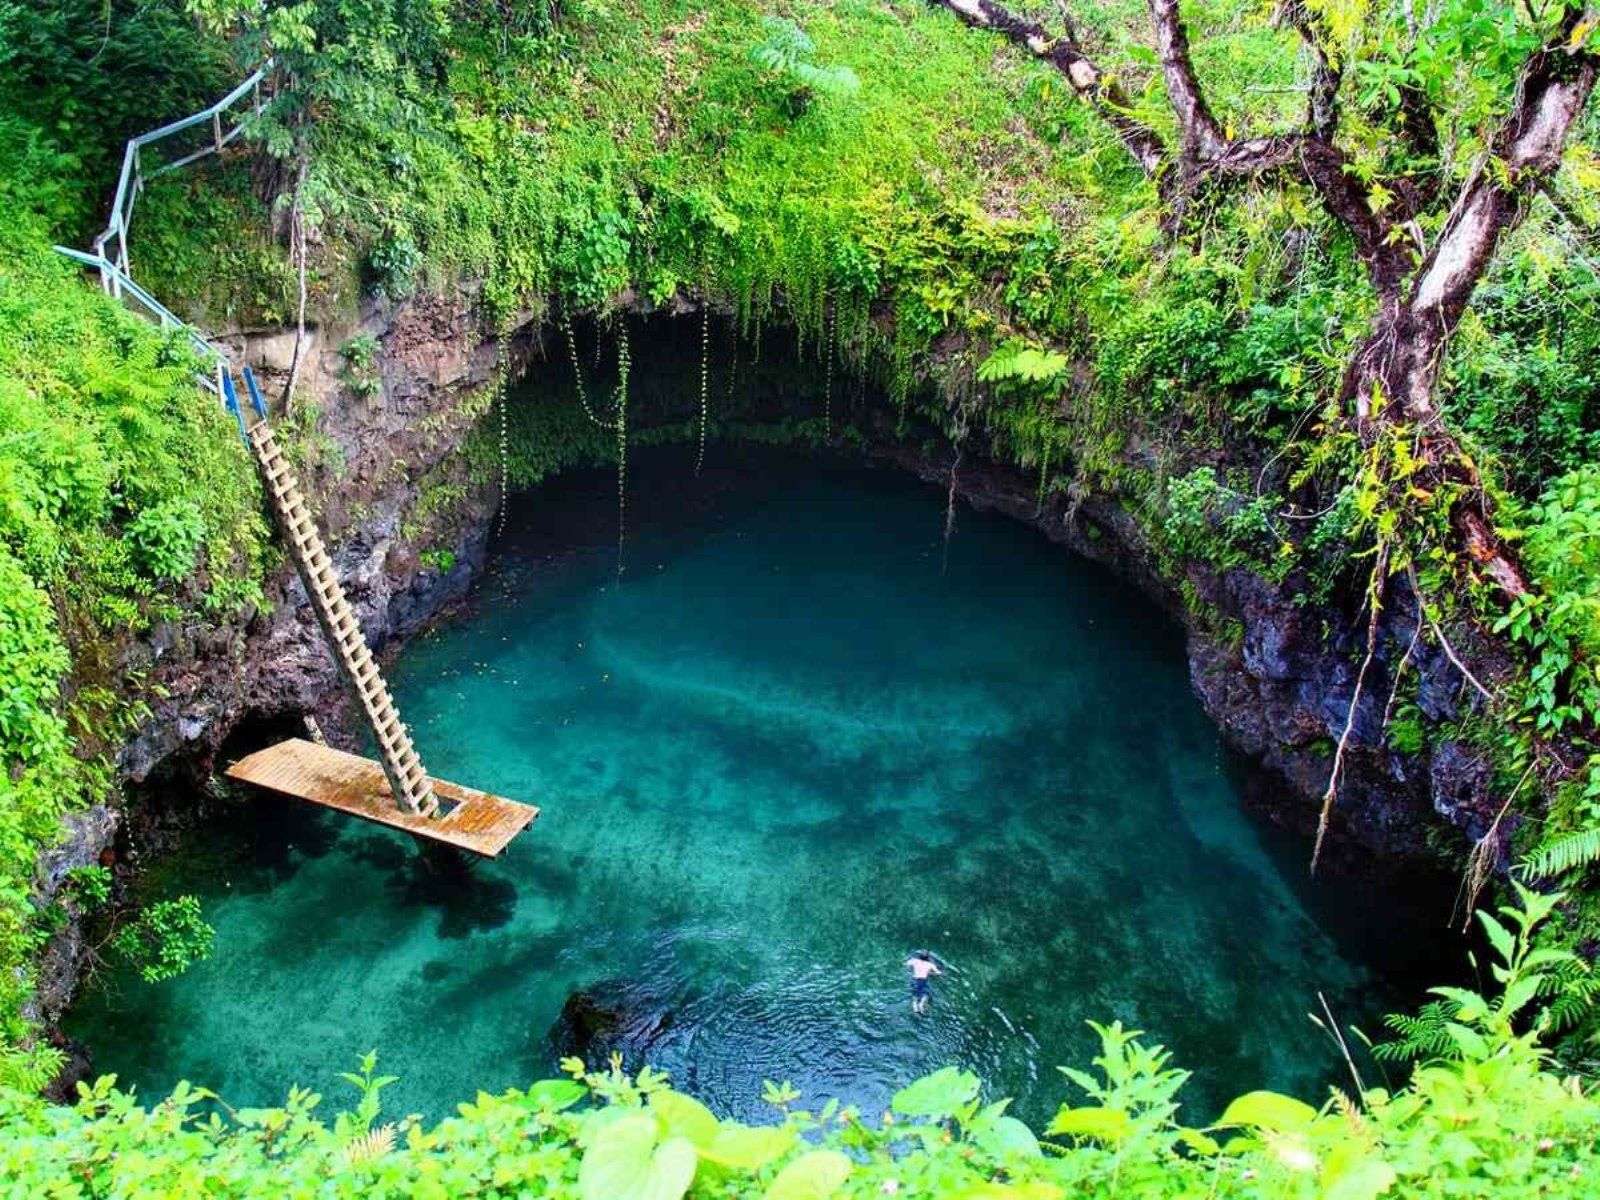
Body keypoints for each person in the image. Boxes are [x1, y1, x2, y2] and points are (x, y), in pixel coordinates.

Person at [906, 950, 941, 1015]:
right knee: (925, 994)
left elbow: (907, 964)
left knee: (915, 996)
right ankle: (921, 1005)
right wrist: (930, 973)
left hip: (915, 979)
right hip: (923, 980)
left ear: (919, 957)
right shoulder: (930, 964)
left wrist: (911, 968)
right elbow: (938, 973)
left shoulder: (914, 961)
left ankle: (915, 1010)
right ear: (928, 958)